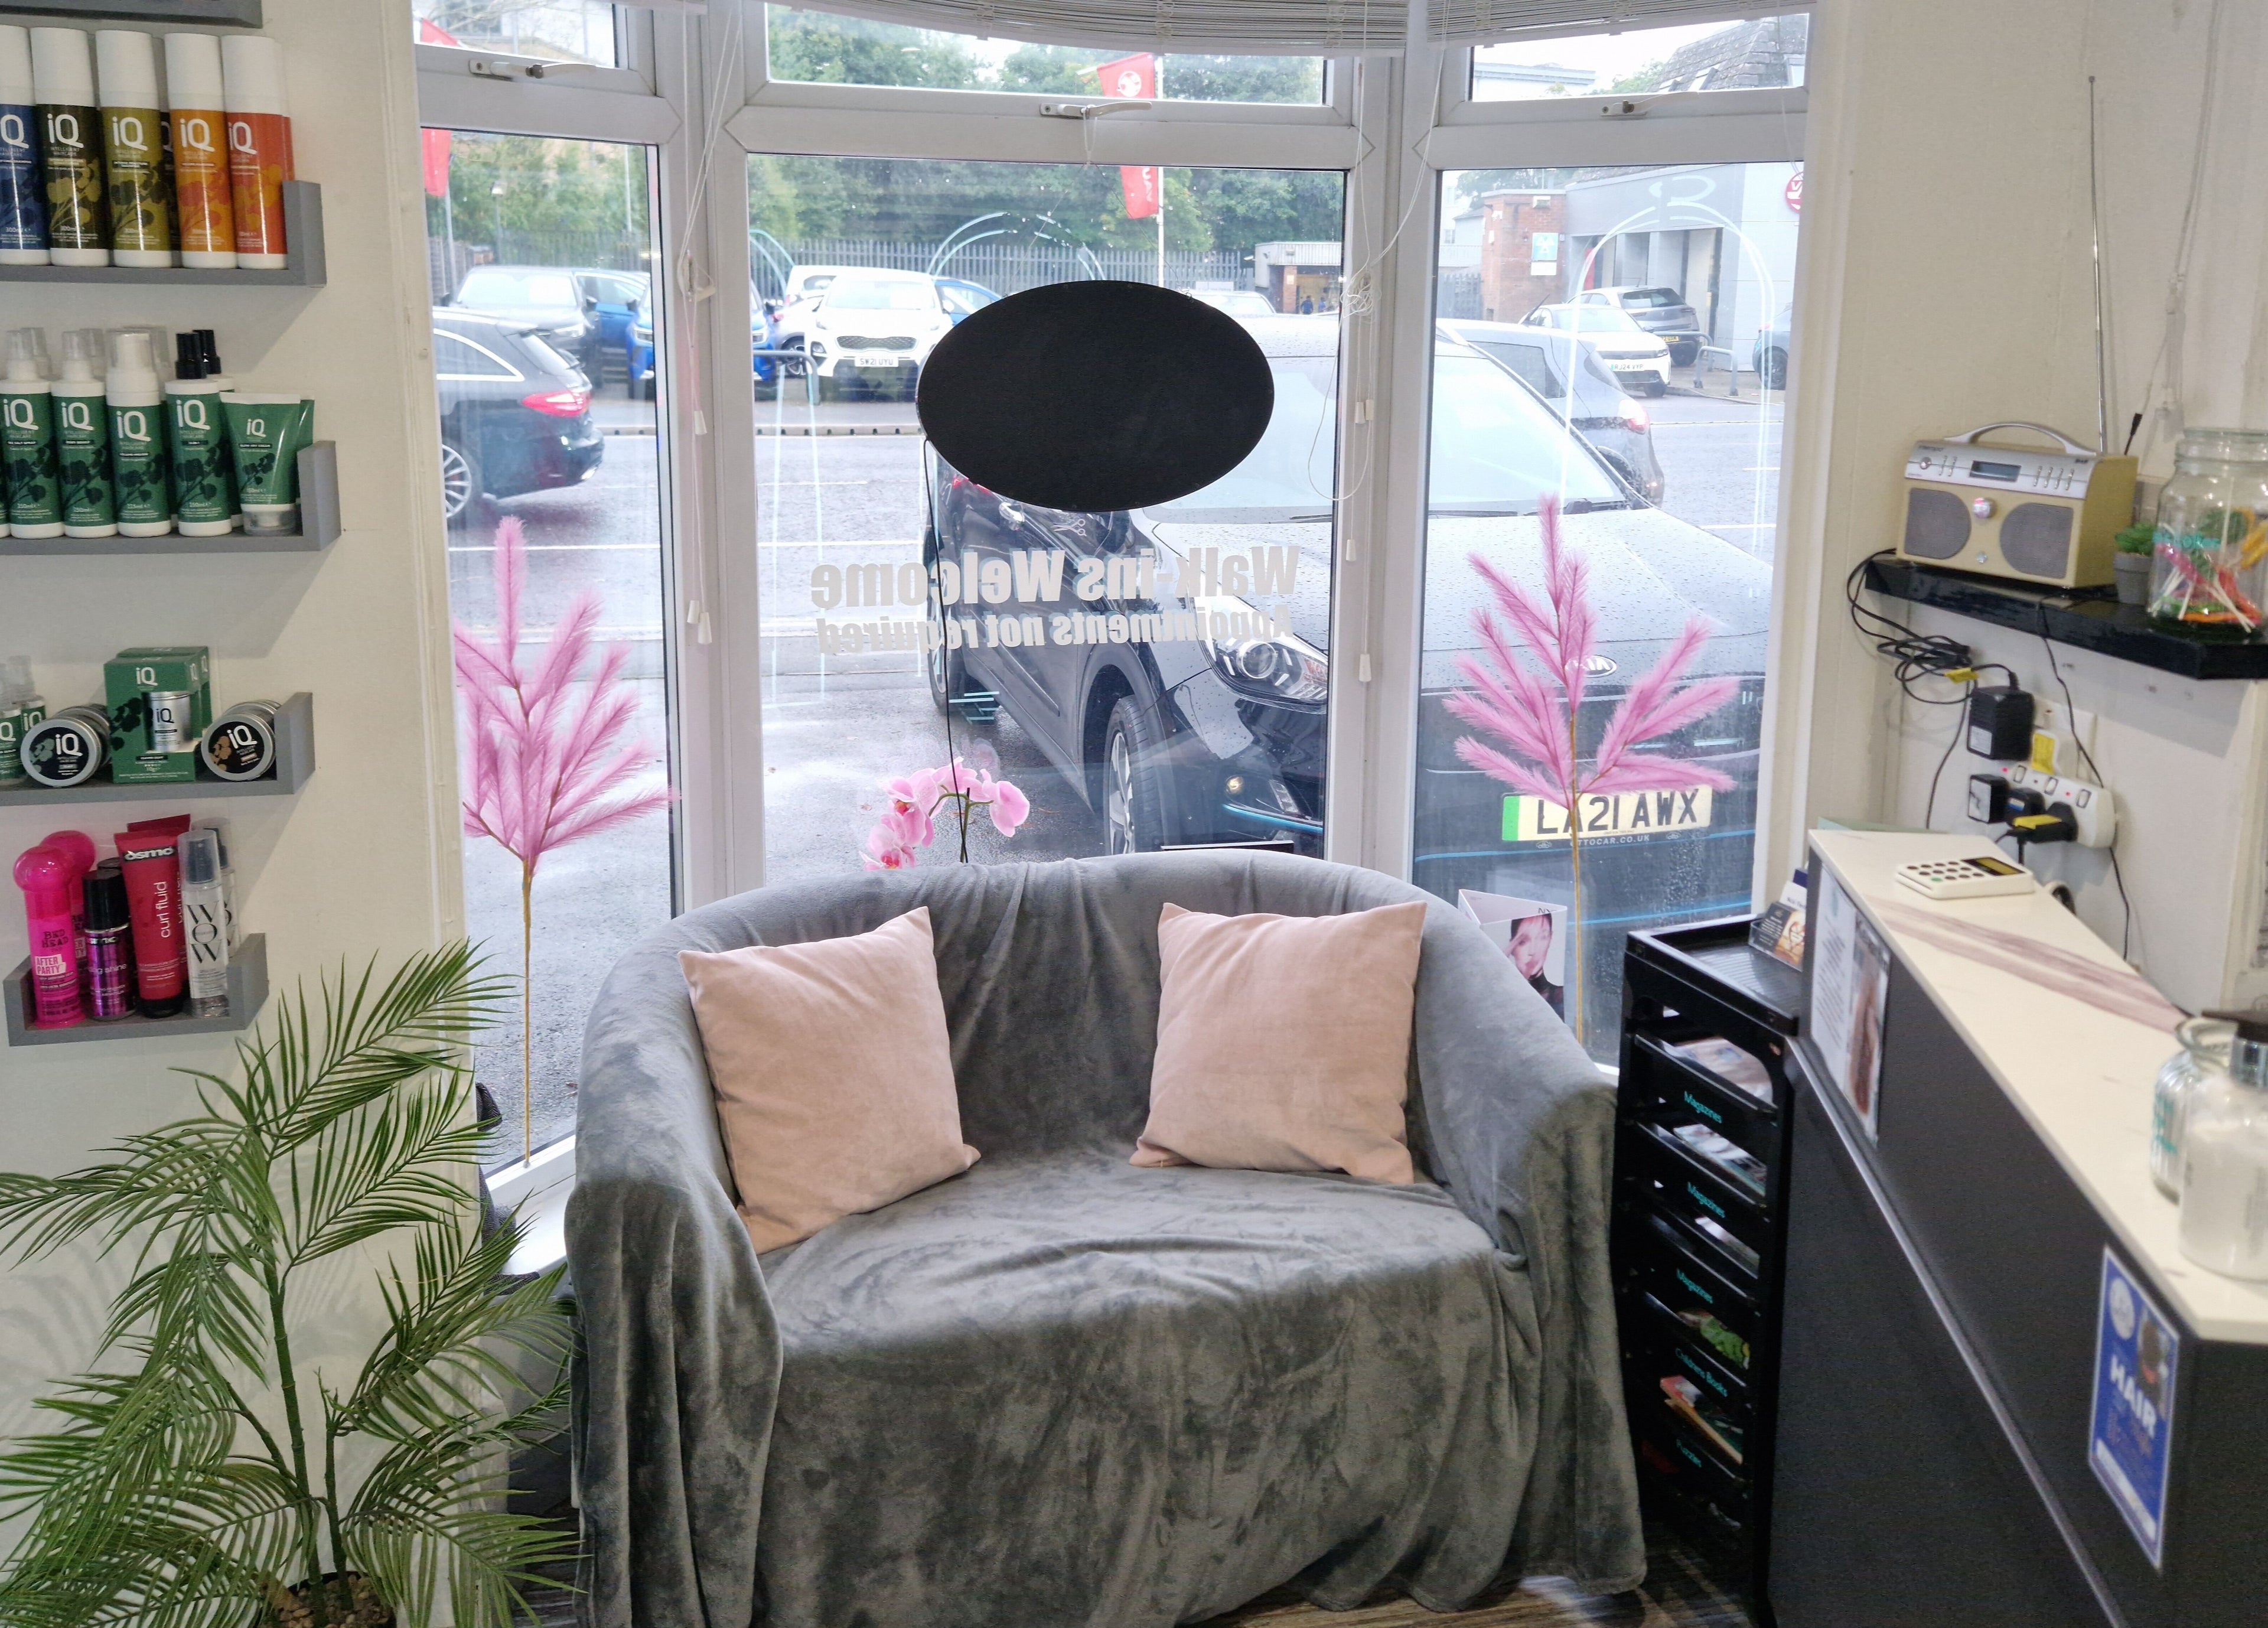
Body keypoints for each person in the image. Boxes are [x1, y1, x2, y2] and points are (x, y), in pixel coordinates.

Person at [1506, 911, 1563, 1017]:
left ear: (1550, 939)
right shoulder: (1500, 999)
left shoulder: (1562, 999)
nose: (1532, 951)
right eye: (1523, 941)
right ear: (1512, 947)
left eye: (1542, 937)